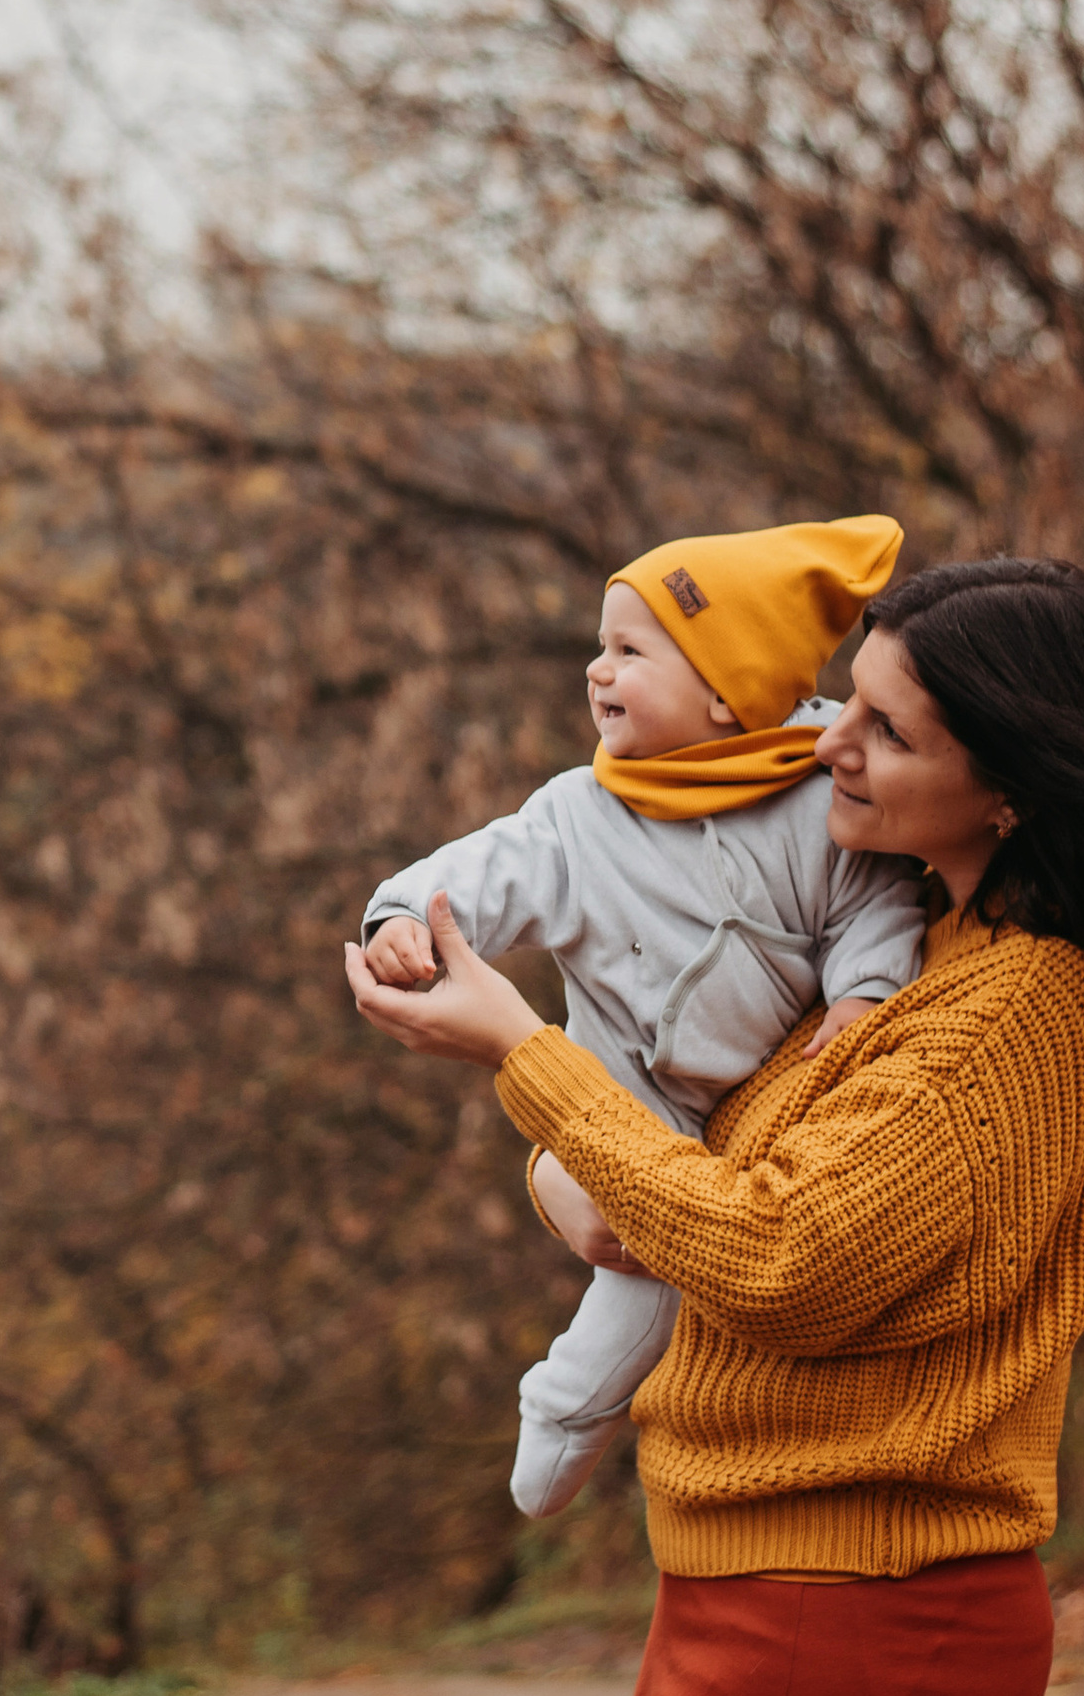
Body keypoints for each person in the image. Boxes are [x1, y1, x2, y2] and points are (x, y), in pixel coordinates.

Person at [344, 555, 1084, 1696]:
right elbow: (690, 1156)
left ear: (1010, 785)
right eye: (845, 703)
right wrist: (573, 1175)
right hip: (776, 1603)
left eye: (886, 732)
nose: (829, 746)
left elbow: (778, 1255)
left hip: (843, 1631)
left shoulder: (1027, 1006)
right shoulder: (923, 944)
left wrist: (523, 1058)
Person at [358, 515, 925, 1516]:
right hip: (630, 1084)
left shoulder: (818, 798)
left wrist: (862, 993)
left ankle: (580, 1404)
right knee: (645, 1272)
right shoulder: (580, 814)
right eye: (597, 645)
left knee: (709, 1242)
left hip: (768, 1100)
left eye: (628, 650)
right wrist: (406, 917)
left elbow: (873, 905)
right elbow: (483, 870)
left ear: (725, 687)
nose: (595, 669)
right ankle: (566, 1411)